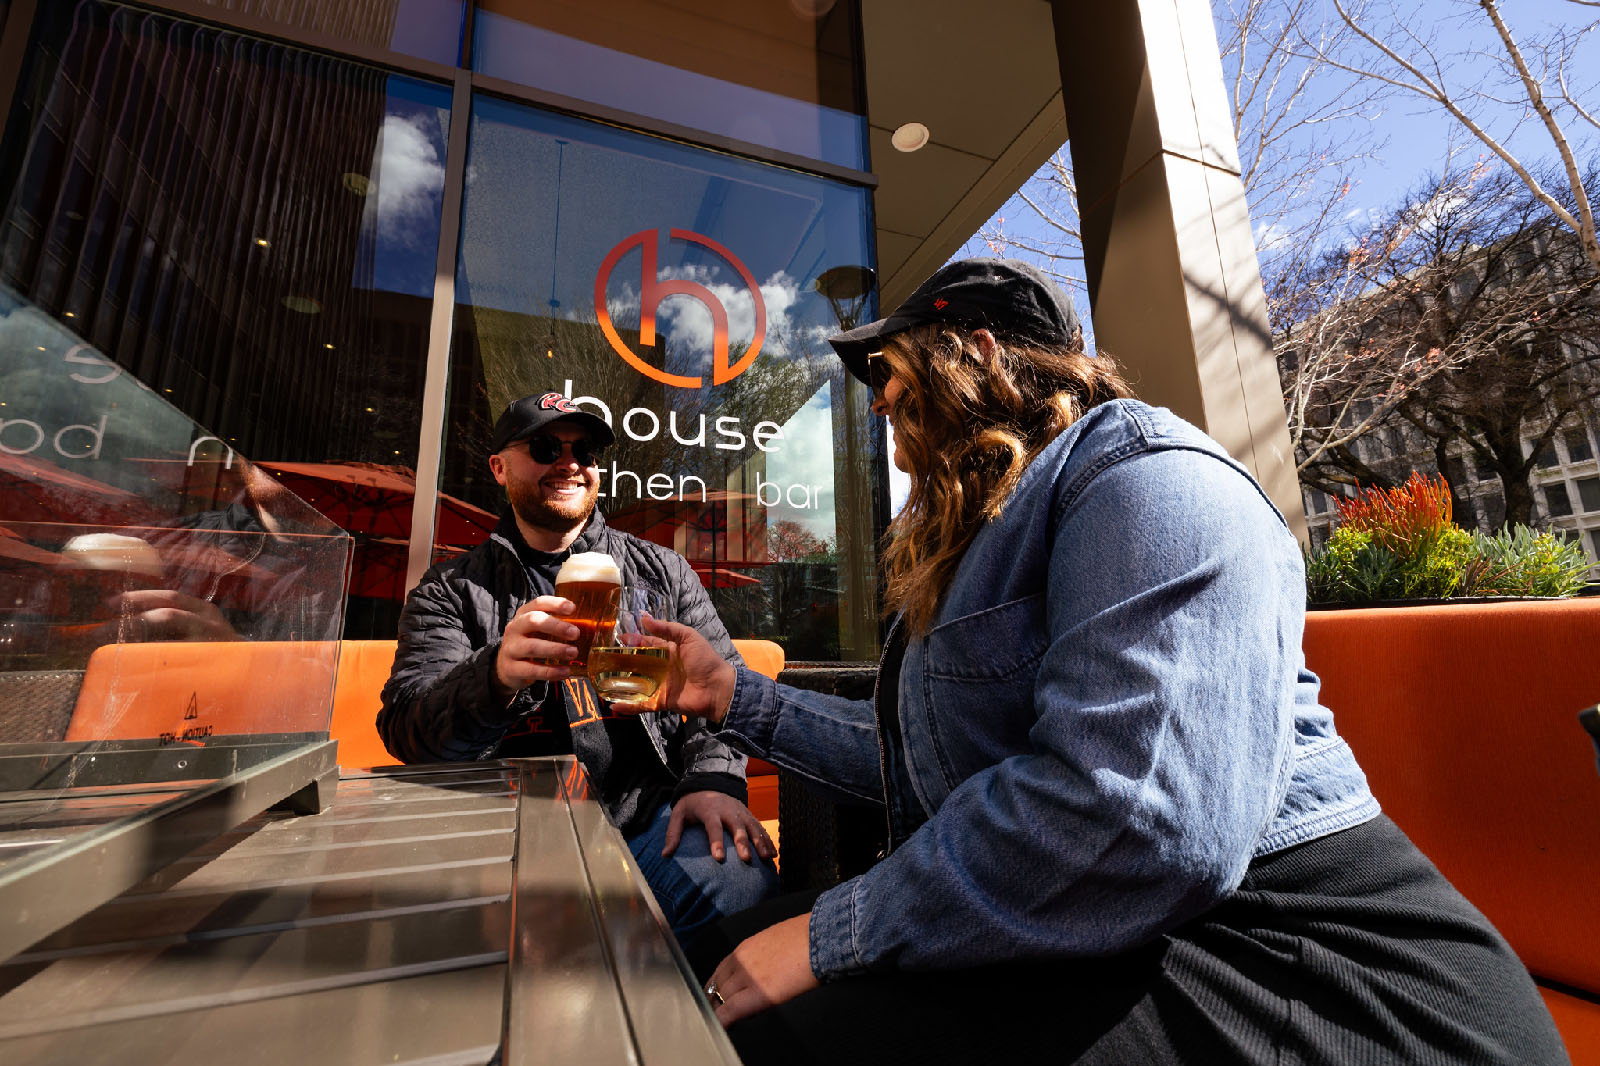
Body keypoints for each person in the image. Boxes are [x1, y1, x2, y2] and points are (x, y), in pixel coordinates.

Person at [642, 259, 1568, 1065]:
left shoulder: (1149, 477)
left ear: (975, 353)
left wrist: (837, 932)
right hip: (1111, 929)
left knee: (749, 1038)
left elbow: (1137, 814)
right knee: (686, 974)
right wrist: (729, 695)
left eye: (888, 371)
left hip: (1319, 975)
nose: (877, 401)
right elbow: (918, 764)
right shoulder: (989, 536)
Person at [378, 391, 779, 946]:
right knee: (421, 916)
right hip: (510, 826)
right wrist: (494, 677)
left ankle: (623, 977)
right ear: (499, 468)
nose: (569, 464)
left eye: (584, 452)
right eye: (546, 448)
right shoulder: (451, 590)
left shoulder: (662, 571)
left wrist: (713, 780)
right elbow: (408, 730)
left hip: (644, 816)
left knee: (739, 882)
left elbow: (724, 688)